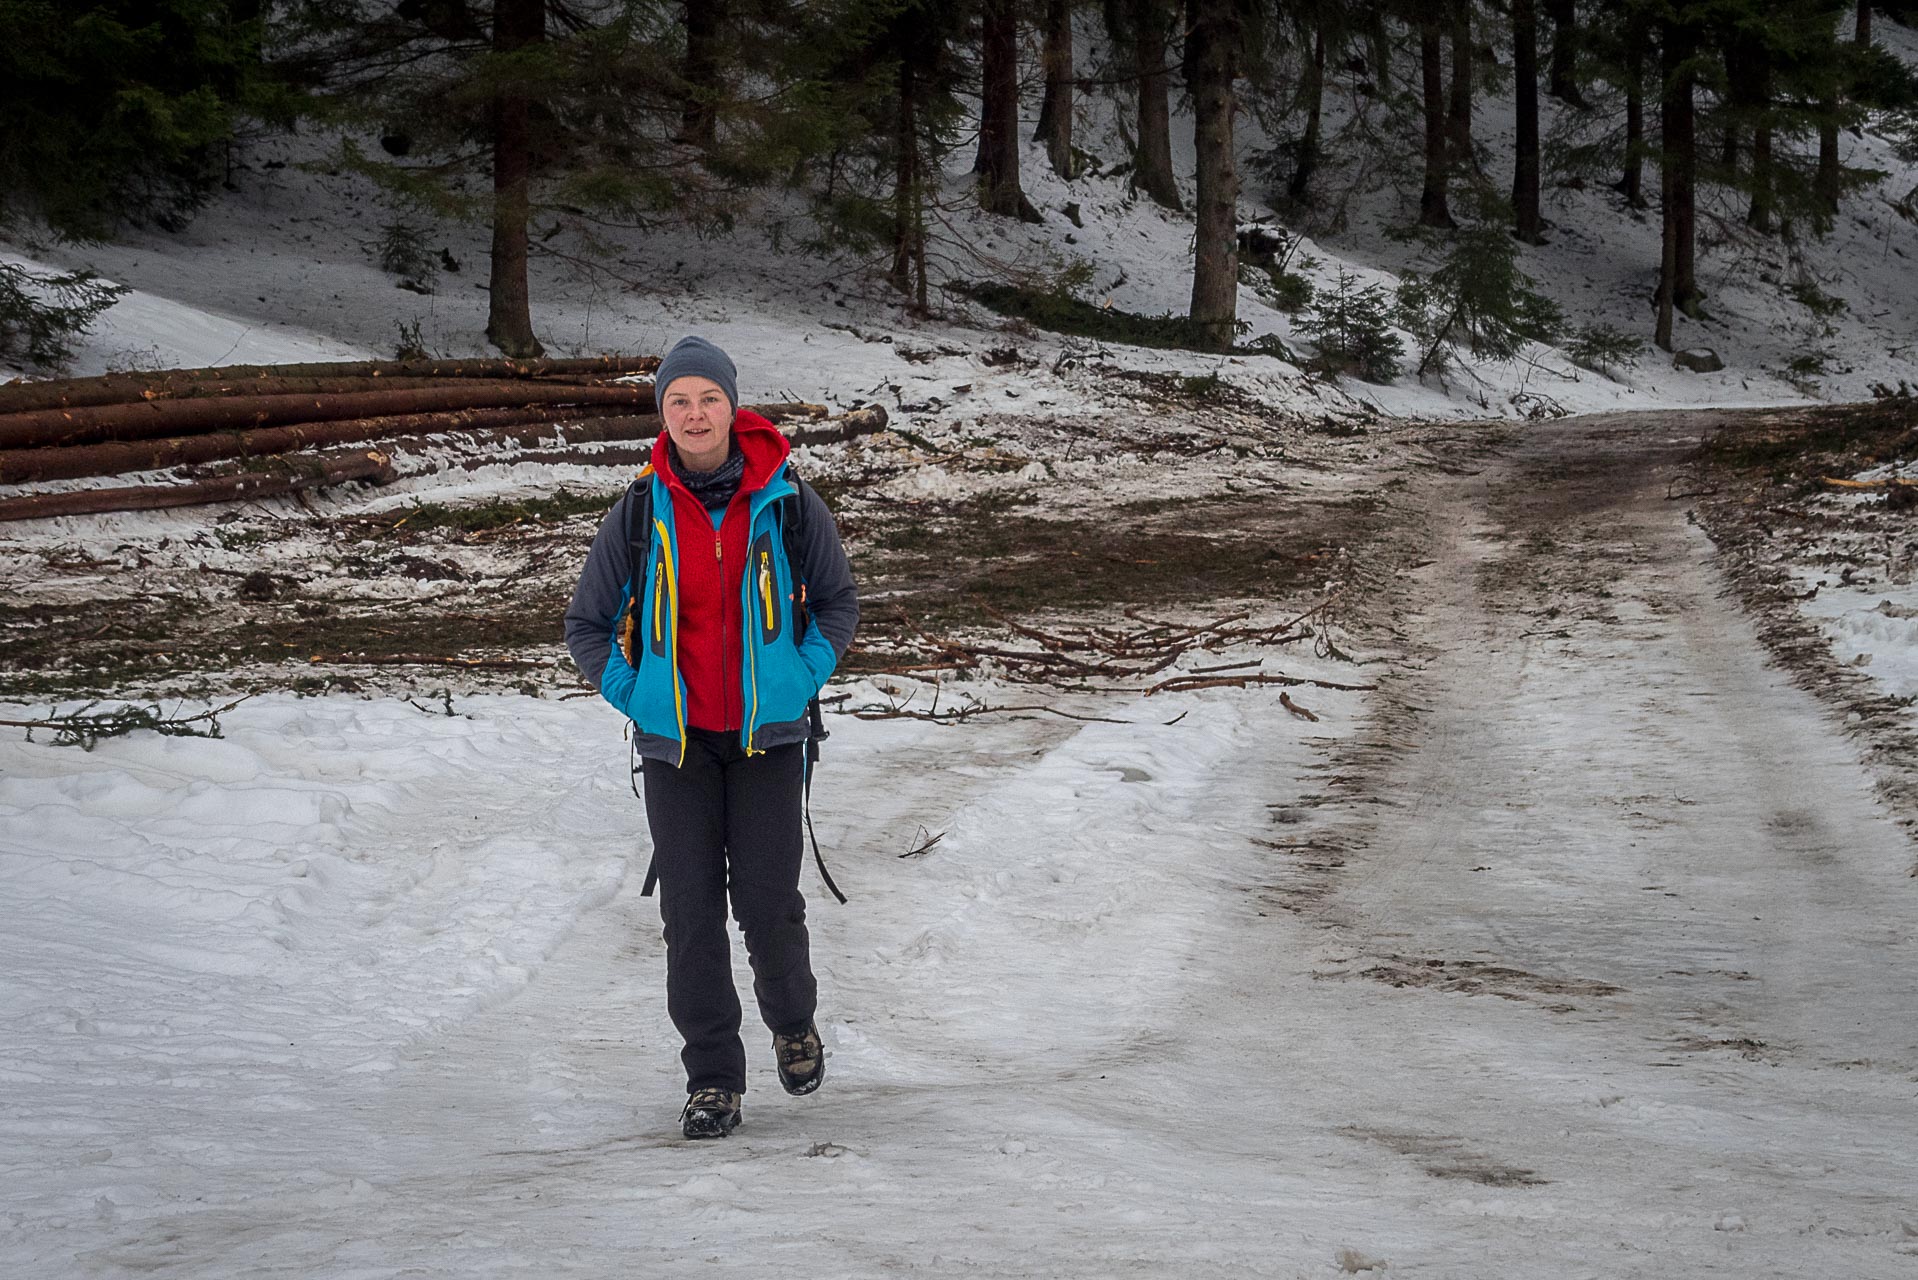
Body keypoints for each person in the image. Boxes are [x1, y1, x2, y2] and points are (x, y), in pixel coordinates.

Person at [564, 335, 859, 1139]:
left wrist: (799, 678)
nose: (695, 414)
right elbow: (587, 625)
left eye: (708, 399)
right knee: (690, 915)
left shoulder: (787, 501)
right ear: (663, 414)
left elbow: (837, 603)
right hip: (679, 748)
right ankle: (714, 1080)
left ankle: (792, 1021)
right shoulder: (638, 508)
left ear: (733, 406)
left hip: (769, 738)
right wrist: (637, 696)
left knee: (767, 905)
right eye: (678, 402)